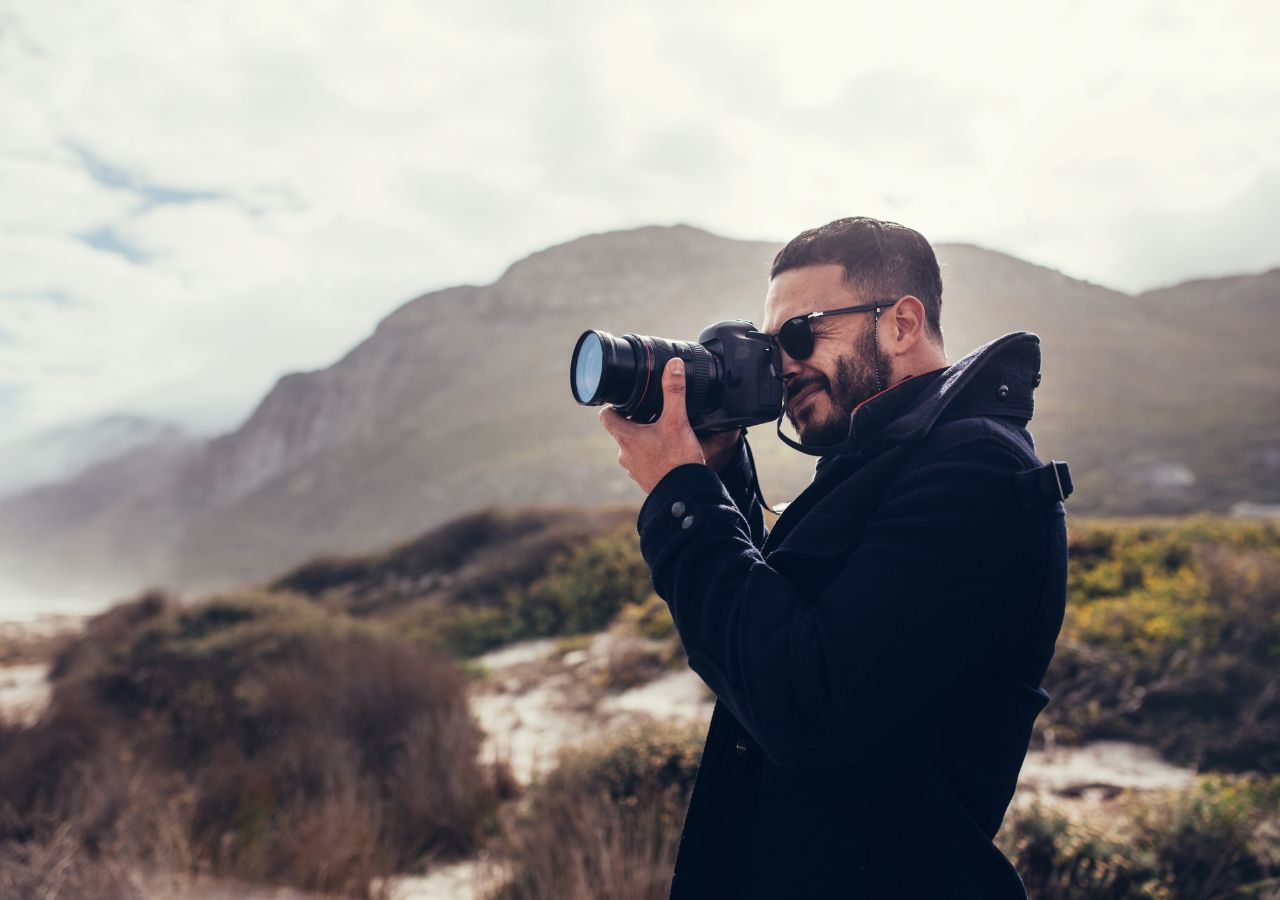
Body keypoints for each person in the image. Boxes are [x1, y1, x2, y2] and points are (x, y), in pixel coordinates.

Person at [598, 216, 1072, 899]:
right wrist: (719, 467)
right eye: (770, 346)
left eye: (800, 334)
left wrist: (680, 495)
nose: (782, 365)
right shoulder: (878, 461)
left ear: (902, 324)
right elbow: (780, 622)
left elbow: (802, 703)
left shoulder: (980, 475)